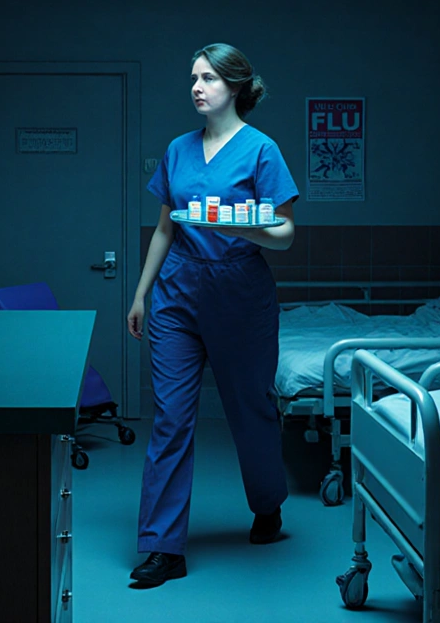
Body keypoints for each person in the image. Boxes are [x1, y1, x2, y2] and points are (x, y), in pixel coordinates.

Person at [126, 43, 300, 586]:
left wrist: (236, 227)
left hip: (239, 292)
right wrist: (140, 293)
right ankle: (163, 548)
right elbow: (164, 228)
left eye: (208, 78)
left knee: (251, 411)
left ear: (236, 87)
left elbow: (285, 234)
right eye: (193, 78)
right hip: (178, 291)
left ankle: (268, 505)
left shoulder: (261, 151)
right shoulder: (178, 149)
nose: (197, 87)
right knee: (172, 418)